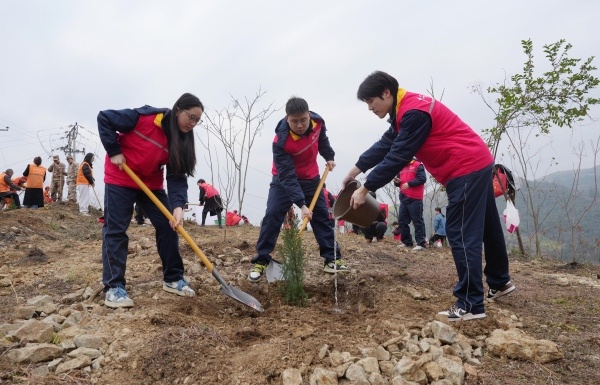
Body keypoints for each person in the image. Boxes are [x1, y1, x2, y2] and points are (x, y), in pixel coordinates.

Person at [342, 71, 514, 322]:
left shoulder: (413, 113)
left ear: (386, 93)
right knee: (488, 227)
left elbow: (398, 155)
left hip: (464, 168)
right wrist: (355, 170)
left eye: (371, 101)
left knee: (460, 232)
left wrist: (365, 188)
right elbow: (384, 145)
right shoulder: (404, 112)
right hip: (476, 163)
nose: (370, 107)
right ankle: (500, 281)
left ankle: (470, 303)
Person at [98, 92, 203, 308]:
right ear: (178, 110)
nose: (193, 123)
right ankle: (114, 287)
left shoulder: (181, 140)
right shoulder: (145, 118)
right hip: (121, 177)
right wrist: (114, 150)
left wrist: (177, 207)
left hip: (150, 185)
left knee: (168, 226)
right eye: (190, 117)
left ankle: (173, 279)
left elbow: (176, 177)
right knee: (116, 230)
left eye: (197, 120)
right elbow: (104, 118)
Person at [248, 97, 347, 282]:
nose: (300, 125)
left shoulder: (318, 123)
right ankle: (261, 260)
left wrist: (329, 156)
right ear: (287, 119)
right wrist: (301, 204)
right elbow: (287, 176)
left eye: (303, 120)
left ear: (309, 115)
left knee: (321, 217)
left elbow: (322, 140)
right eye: (294, 121)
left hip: (311, 177)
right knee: (272, 215)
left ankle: (332, 259)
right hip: (283, 180)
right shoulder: (281, 141)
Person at [393, 159, 427, 251]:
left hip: (415, 198)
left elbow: (422, 179)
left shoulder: (418, 165)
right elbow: (398, 182)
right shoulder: (401, 167)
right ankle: (407, 242)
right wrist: (397, 182)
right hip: (404, 197)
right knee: (402, 221)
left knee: (417, 220)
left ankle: (421, 243)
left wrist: (409, 184)